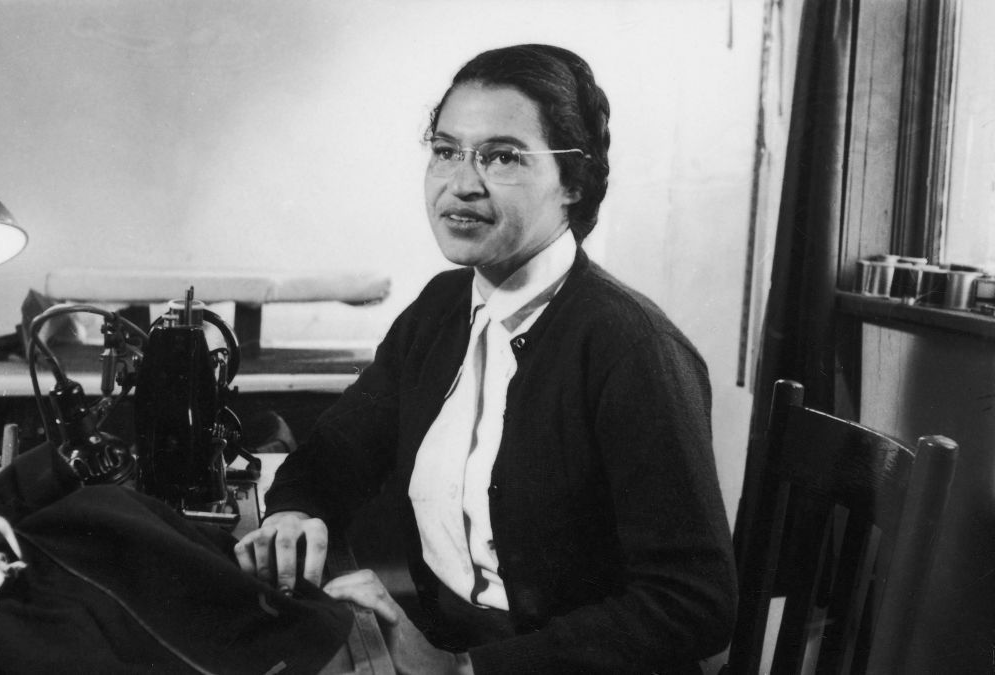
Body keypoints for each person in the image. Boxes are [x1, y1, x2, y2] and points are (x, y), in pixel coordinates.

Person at [235, 43, 737, 674]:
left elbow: (694, 604)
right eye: (445, 151)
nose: (461, 184)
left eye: (502, 156)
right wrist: (292, 513)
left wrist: (466, 670)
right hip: (443, 646)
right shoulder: (443, 309)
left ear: (573, 184)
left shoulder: (630, 348)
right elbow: (337, 454)